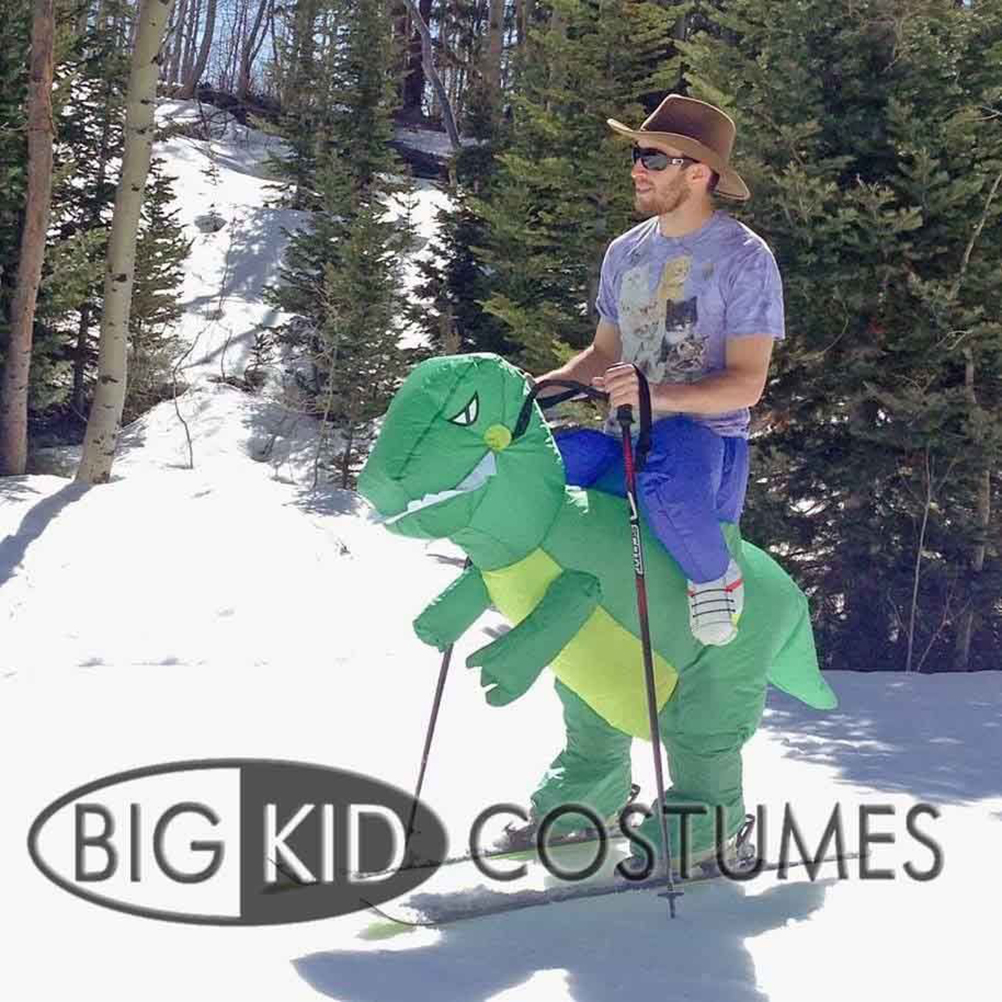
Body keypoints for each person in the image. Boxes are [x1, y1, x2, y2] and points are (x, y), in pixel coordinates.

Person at [537, 94, 784, 646]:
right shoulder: (624, 252)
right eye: (637, 155)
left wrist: (655, 395)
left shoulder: (746, 257)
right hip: (625, 436)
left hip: (705, 444)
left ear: (698, 173)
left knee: (668, 474)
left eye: (653, 159)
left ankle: (715, 576)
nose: (637, 170)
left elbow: (748, 383)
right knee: (543, 462)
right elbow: (603, 354)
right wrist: (535, 394)